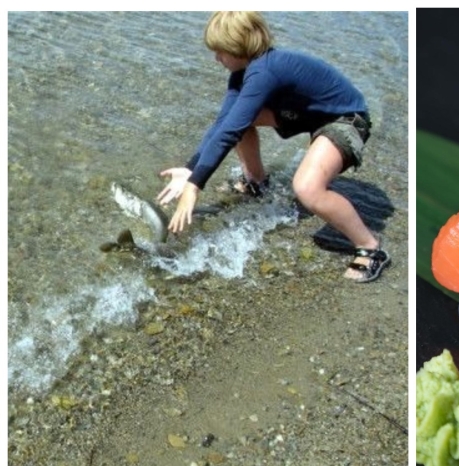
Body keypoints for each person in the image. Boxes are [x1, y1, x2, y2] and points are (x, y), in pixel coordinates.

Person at [156, 11, 390, 283]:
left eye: (220, 51)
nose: (215, 58)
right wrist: (189, 169)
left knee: (307, 188)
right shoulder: (242, 74)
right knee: (239, 119)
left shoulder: (266, 71)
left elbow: (228, 133)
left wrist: (195, 186)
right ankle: (256, 182)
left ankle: (371, 247)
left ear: (237, 48)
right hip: (307, 113)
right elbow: (224, 125)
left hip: (346, 119)